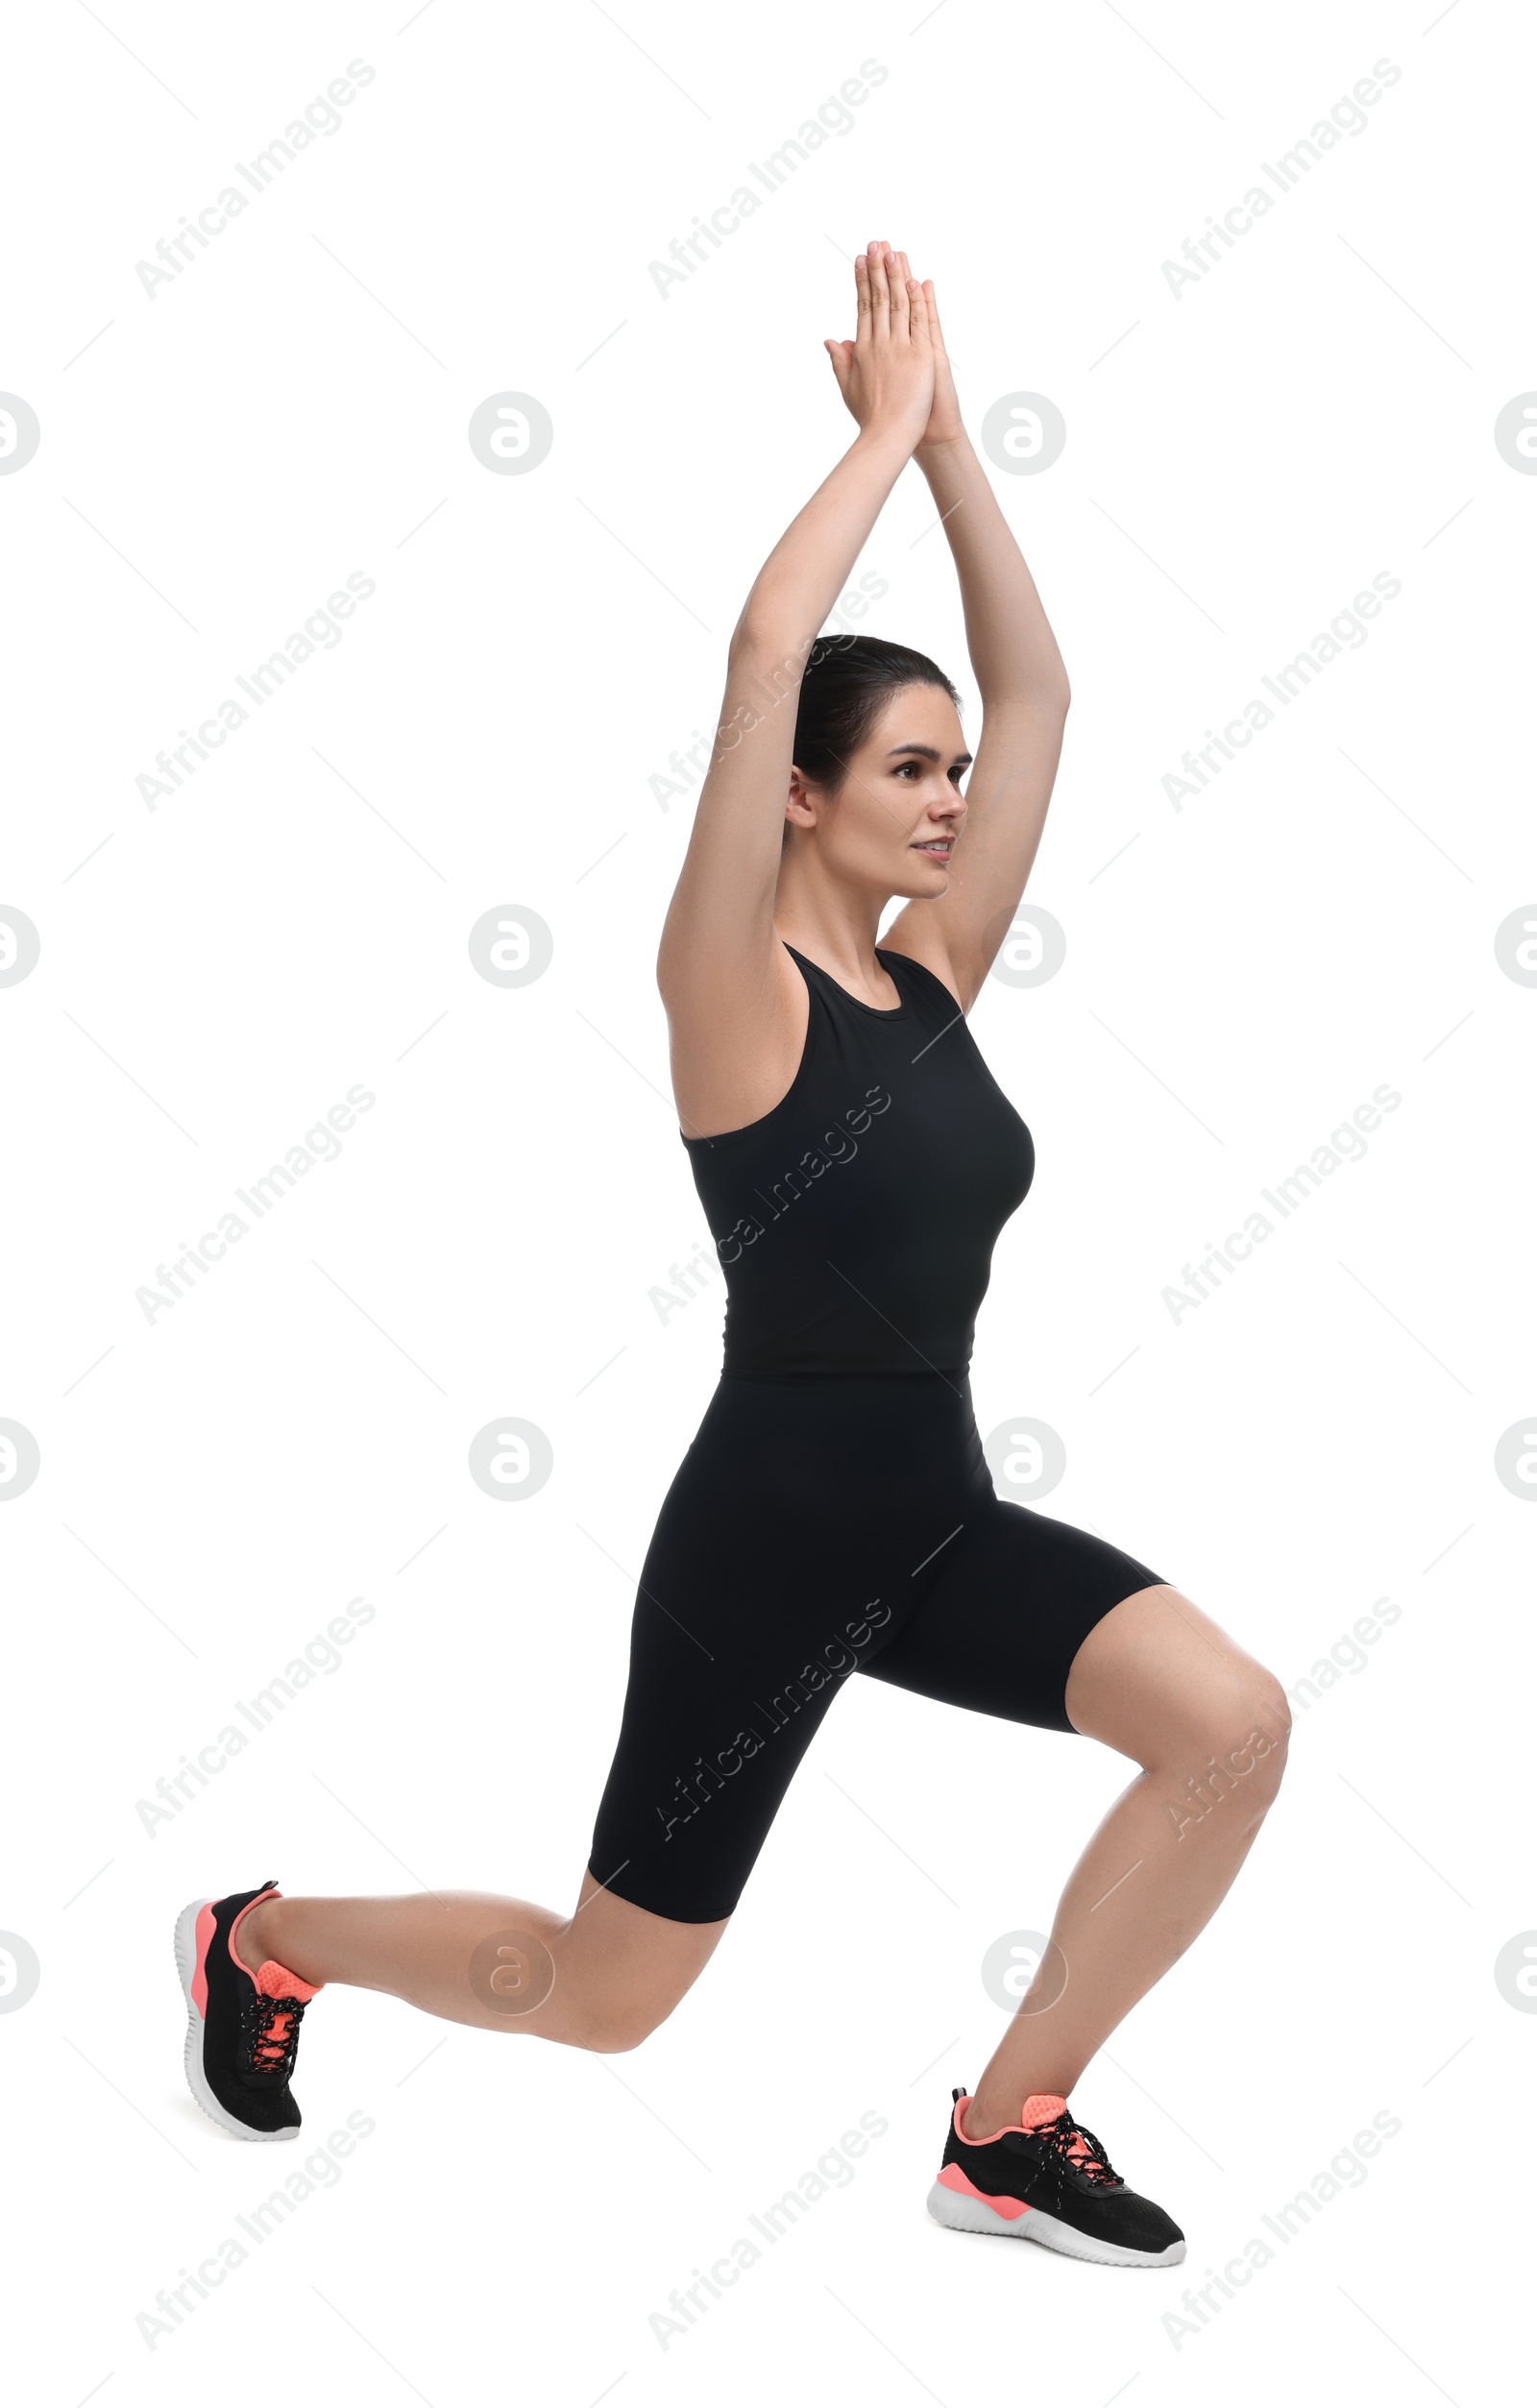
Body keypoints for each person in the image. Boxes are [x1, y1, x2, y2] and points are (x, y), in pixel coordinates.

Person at [177, 242, 1289, 2268]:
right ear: (799, 795)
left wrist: (954, 451)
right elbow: (763, 650)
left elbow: (1043, 690)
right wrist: (868, 439)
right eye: (906, 770)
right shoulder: (729, 986)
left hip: (935, 1523)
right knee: (601, 2001)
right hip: (764, 1547)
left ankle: (1007, 2121)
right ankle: (263, 1937)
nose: (952, 799)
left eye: (952, 774)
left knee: (1227, 1723)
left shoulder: (932, 979)